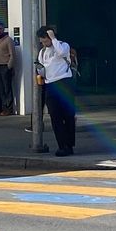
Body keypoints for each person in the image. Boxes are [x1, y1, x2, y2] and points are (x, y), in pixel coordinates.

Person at [35, 27, 77, 156]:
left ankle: (69, 145)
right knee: (55, 116)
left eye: (45, 41)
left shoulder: (63, 46)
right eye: (42, 42)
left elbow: (61, 53)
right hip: (50, 85)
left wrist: (53, 39)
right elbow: (41, 66)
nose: (44, 44)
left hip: (64, 82)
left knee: (68, 115)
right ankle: (62, 145)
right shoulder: (42, 52)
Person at [0, 23, 15, 114]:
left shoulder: (8, 40)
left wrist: (9, 66)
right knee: (1, 89)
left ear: (4, 29)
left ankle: (9, 108)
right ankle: (3, 108)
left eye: (0, 29)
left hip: (5, 66)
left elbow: (12, 54)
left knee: (7, 88)